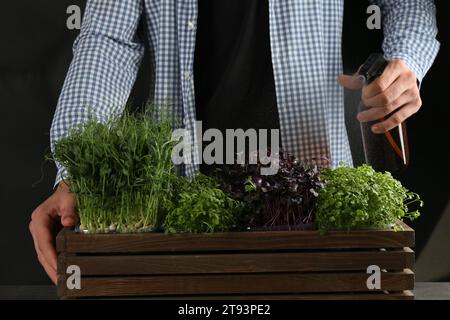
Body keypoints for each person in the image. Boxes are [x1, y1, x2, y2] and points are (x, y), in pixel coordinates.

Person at [29, 0, 439, 284]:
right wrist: (76, 172)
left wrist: (406, 59)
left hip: (317, 191)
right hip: (186, 197)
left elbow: (409, 4)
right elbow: (107, 38)